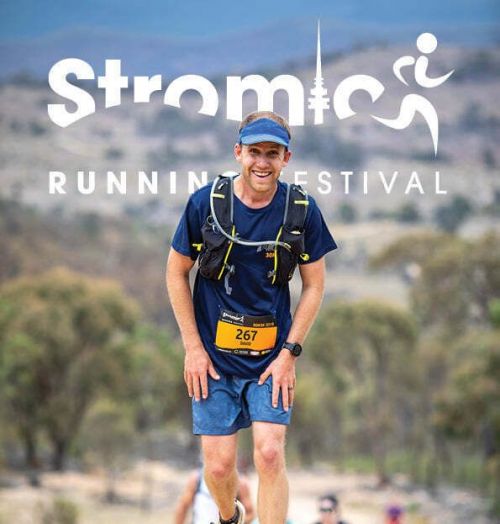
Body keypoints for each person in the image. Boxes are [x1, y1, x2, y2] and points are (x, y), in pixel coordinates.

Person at [166, 110, 338, 524]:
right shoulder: (205, 204)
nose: (263, 162)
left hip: (271, 360)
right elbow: (175, 272)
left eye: (272, 154)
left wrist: (289, 354)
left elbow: (314, 286)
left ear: (286, 158)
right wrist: (193, 349)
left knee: (270, 452)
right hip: (212, 359)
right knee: (219, 468)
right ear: (238, 152)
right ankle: (230, 517)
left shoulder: (301, 211)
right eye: (255, 152)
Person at [174, 467, 256, 524]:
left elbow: (250, 514)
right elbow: (182, 508)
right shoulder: (196, 479)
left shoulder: (241, 483)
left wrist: (233, 521)